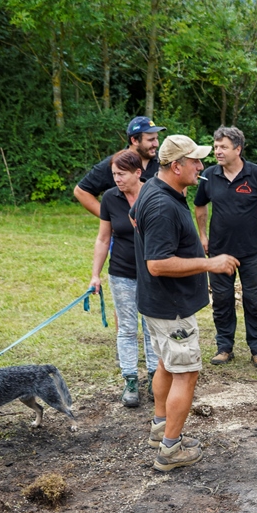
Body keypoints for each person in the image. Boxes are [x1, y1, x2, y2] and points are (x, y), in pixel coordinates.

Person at [132, 134, 239, 472]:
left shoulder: (154, 187)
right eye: (195, 161)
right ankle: (170, 449)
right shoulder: (163, 205)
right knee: (187, 373)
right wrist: (210, 262)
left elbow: (135, 216)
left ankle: (160, 427)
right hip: (170, 306)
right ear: (176, 166)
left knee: (166, 362)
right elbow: (157, 264)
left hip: (156, 302)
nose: (201, 166)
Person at [194, 126, 257, 368]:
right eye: (215, 147)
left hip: (251, 252)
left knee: (254, 301)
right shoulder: (209, 176)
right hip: (219, 253)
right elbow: (200, 205)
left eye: (223, 147)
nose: (218, 151)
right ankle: (224, 347)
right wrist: (202, 235)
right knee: (222, 301)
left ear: (238, 149)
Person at [89, 150, 159, 407]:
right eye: (114, 174)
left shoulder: (154, 192)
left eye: (122, 174)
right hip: (121, 272)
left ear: (137, 173)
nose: (117, 179)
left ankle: (154, 376)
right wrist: (95, 275)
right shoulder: (110, 198)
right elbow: (103, 238)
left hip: (153, 272)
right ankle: (130, 379)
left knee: (151, 326)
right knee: (127, 329)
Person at [74, 116, 166, 217]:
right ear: (134, 140)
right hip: (125, 231)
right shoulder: (115, 164)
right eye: (151, 140)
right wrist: (109, 218)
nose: (156, 144)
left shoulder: (163, 161)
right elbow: (81, 191)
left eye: (157, 138)